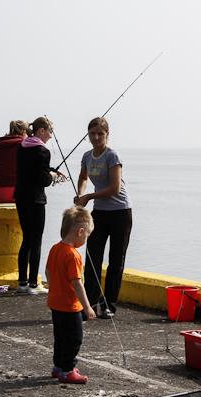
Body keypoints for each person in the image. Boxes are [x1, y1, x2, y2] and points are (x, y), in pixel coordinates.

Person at [75, 117, 132, 319]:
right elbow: (83, 177)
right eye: (93, 133)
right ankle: (89, 304)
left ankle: (109, 306)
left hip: (120, 213)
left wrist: (89, 196)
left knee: (116, 261)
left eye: (101, 133)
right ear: (88, 135)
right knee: (93, 259)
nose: (97, 137)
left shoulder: (112, 155)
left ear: (107, 134)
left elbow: (115, 188)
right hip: (99, 214)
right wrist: (81, 193)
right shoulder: (87, 156)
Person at [14, 117, 65, 295]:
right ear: (41, 131)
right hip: (36, 200)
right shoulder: (43, 151)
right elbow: (43, 180)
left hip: (20, 197)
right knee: (36, 241)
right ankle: (33, 284)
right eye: (50, 131)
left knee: (26, 239)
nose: (51, 136)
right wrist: (51, 175)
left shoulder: (22, 146)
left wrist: (49, 169)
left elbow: (31, 169)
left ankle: (22, 282)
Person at [45, 205, 97, 384]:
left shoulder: (55, 248)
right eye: (87, 235)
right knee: (74, 339)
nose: (86, 238)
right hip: (69, 306)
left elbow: (48, 273)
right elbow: (77, 283)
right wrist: (87, 306)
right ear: (80, 231)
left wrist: (54, 288)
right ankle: (67, 370)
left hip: (55, 302)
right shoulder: (73, 255)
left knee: (59, 337)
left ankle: (58, 366)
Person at [0, 120, 29, 203]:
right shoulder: (25, 147)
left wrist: (2, 173)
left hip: (1, 192)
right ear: (23, 132)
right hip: (21, 191)